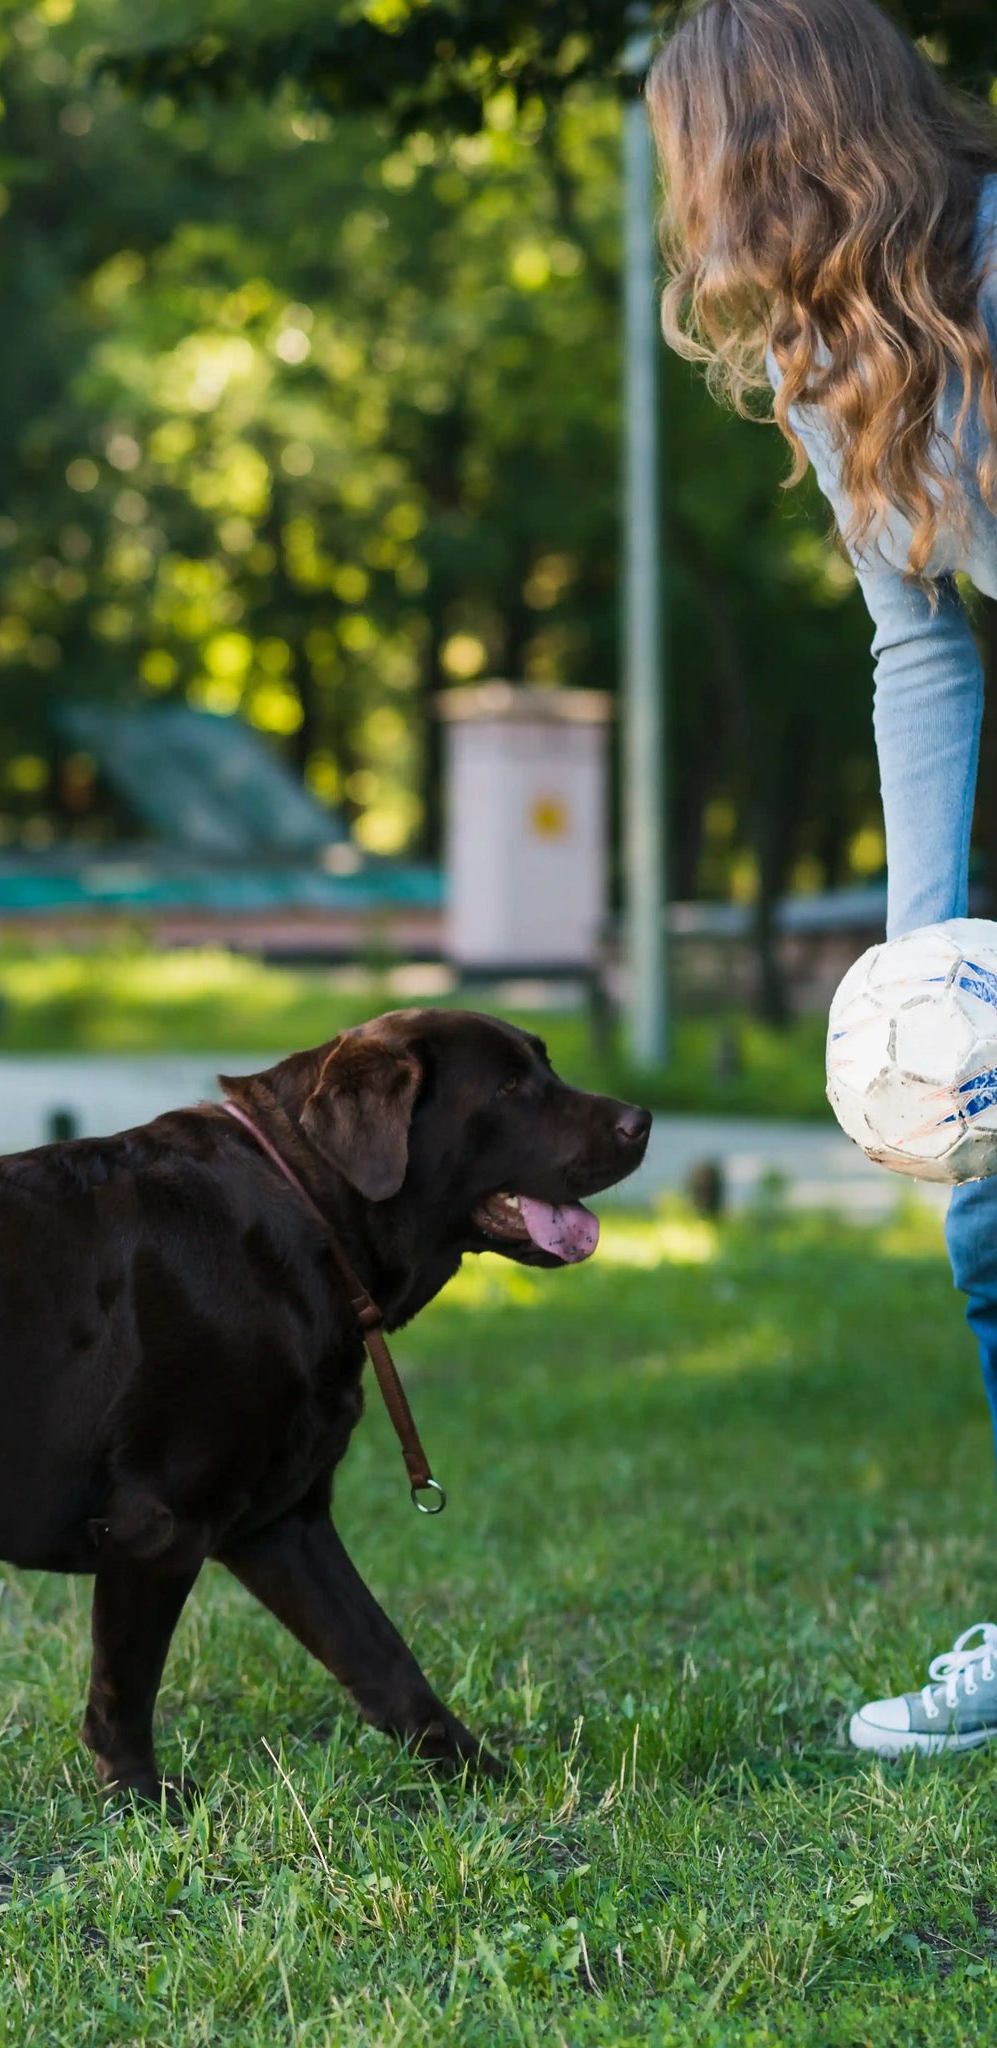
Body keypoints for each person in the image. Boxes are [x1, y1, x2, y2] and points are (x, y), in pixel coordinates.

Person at [650, 0, 997, 1755]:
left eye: (700, 161)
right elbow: (920, 652)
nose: (692, 212)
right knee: (990, 1201)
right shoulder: (827, 362)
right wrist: (917, 967)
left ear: (790, 140)